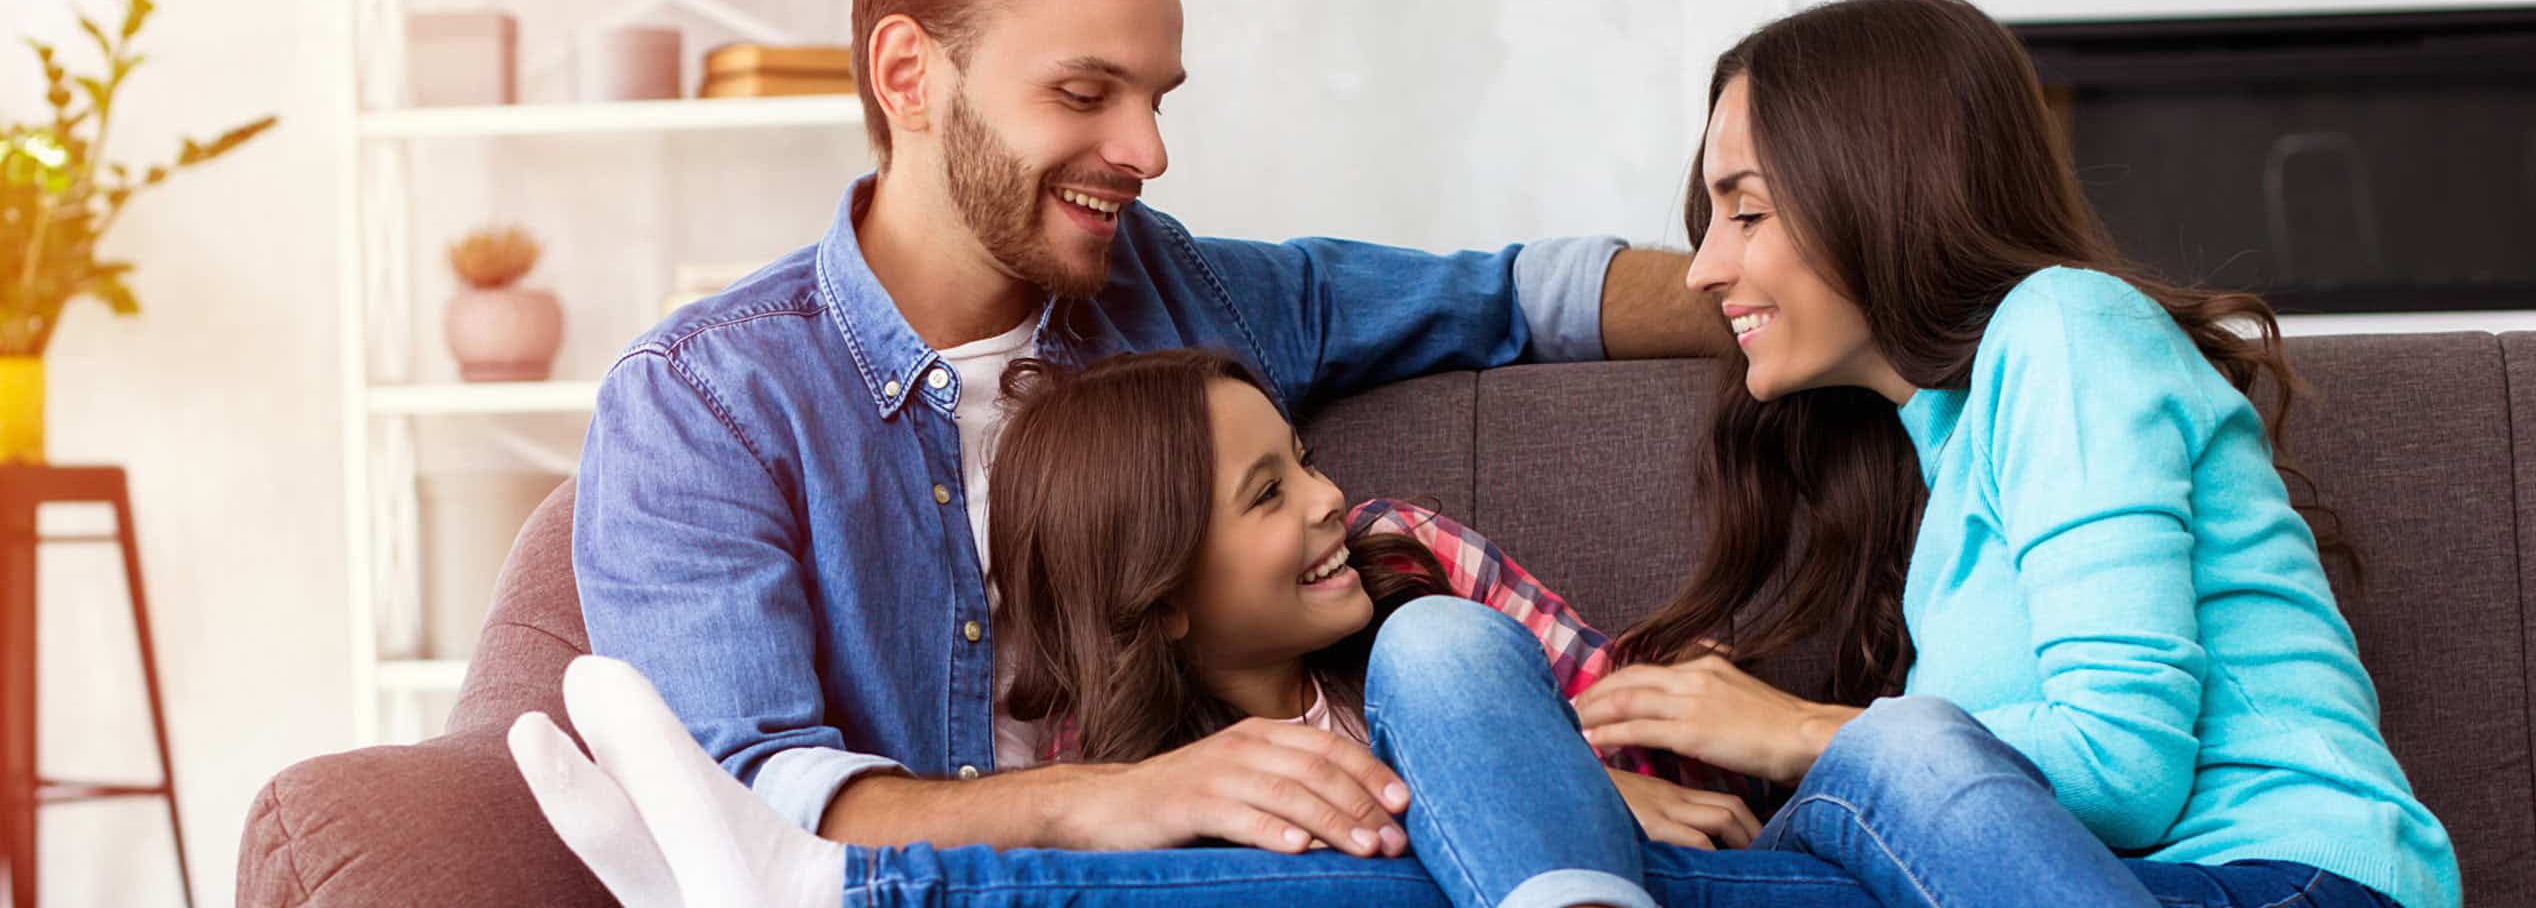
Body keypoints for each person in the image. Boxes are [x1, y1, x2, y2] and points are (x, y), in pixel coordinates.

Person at [571, 0, 1726, 883]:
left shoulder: (1181, 289)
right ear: (908, 74)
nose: (1146, 149)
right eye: (1084, 92)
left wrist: (1813, 278)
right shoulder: (704, 403)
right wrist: (1111, 798)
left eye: (1155, 96)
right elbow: (754, 788)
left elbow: (1515, 296)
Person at [1532, 0, 2461, 908]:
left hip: (2279, 881)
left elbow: (2123, 765)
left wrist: (1801, 733)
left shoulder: (2066, 327)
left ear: (1878, 191)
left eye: (1748, 212)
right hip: (2067, 880)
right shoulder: (1937, 450)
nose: (1700, 271)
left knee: (1908, 750)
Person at [509, 350, 1890, 907]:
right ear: (1163, 587)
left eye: (1302, 457)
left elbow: (1676, 787)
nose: (1334, 499)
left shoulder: (1412, 579)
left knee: (1434, 702)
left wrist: (1575, 793)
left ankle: (840, 894)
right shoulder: (1131, 772)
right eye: (1270, 489)